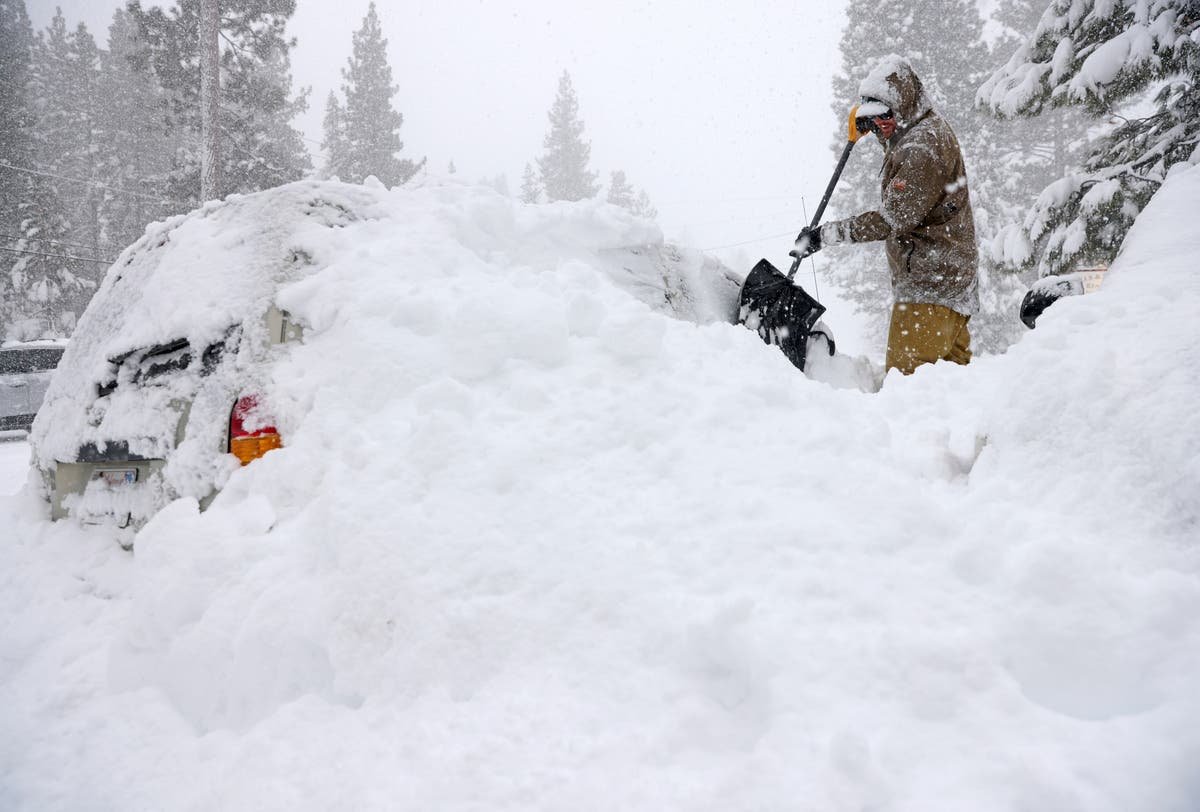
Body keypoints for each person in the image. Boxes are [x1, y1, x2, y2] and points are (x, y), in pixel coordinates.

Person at [792, 56, 979, 376]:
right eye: (872, 118)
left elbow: (892, 218)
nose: (880, 124)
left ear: (903, 107)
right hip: (949, 292)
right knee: (950, 397)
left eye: (885, 116)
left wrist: (826, 235)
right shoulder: (922, 129)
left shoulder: (922, 146)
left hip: (928, 294)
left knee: (908, 396)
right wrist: (877, 130)